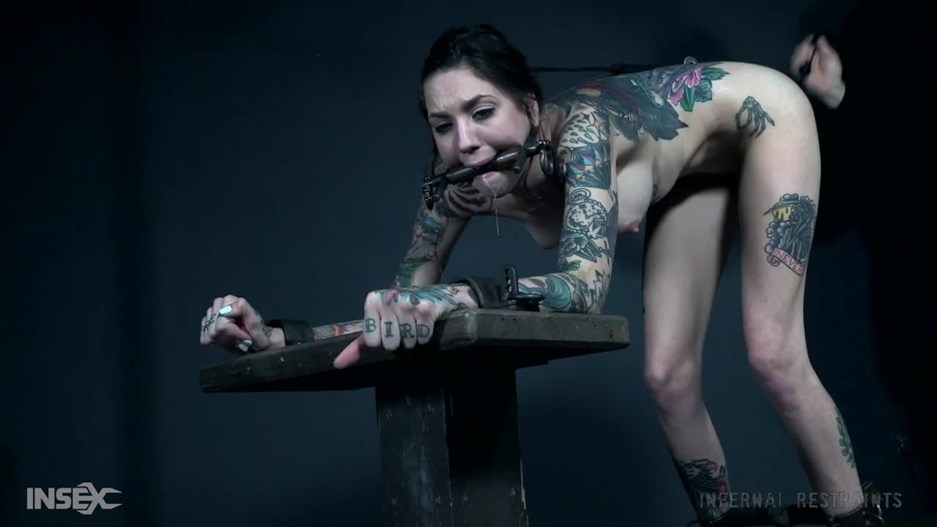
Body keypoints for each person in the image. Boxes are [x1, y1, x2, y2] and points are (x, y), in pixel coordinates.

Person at [201, 24, 882, 527]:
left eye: (481, 112)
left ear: (529, 107)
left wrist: (462, 295)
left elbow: (581, 291)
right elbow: (401, 304)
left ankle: (855, 517)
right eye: (442, 125)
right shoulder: (451, 181)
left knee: (771, 352)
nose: (465, 142)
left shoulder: (577, 134)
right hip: (689, 168)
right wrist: (281, 336)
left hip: (759, 116)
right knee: (667, 378)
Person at [790, 0, 936, 516]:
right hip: (911, 304)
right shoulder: (867, 31)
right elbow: (835, 211)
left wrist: (839, 99)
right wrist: (827, 100)